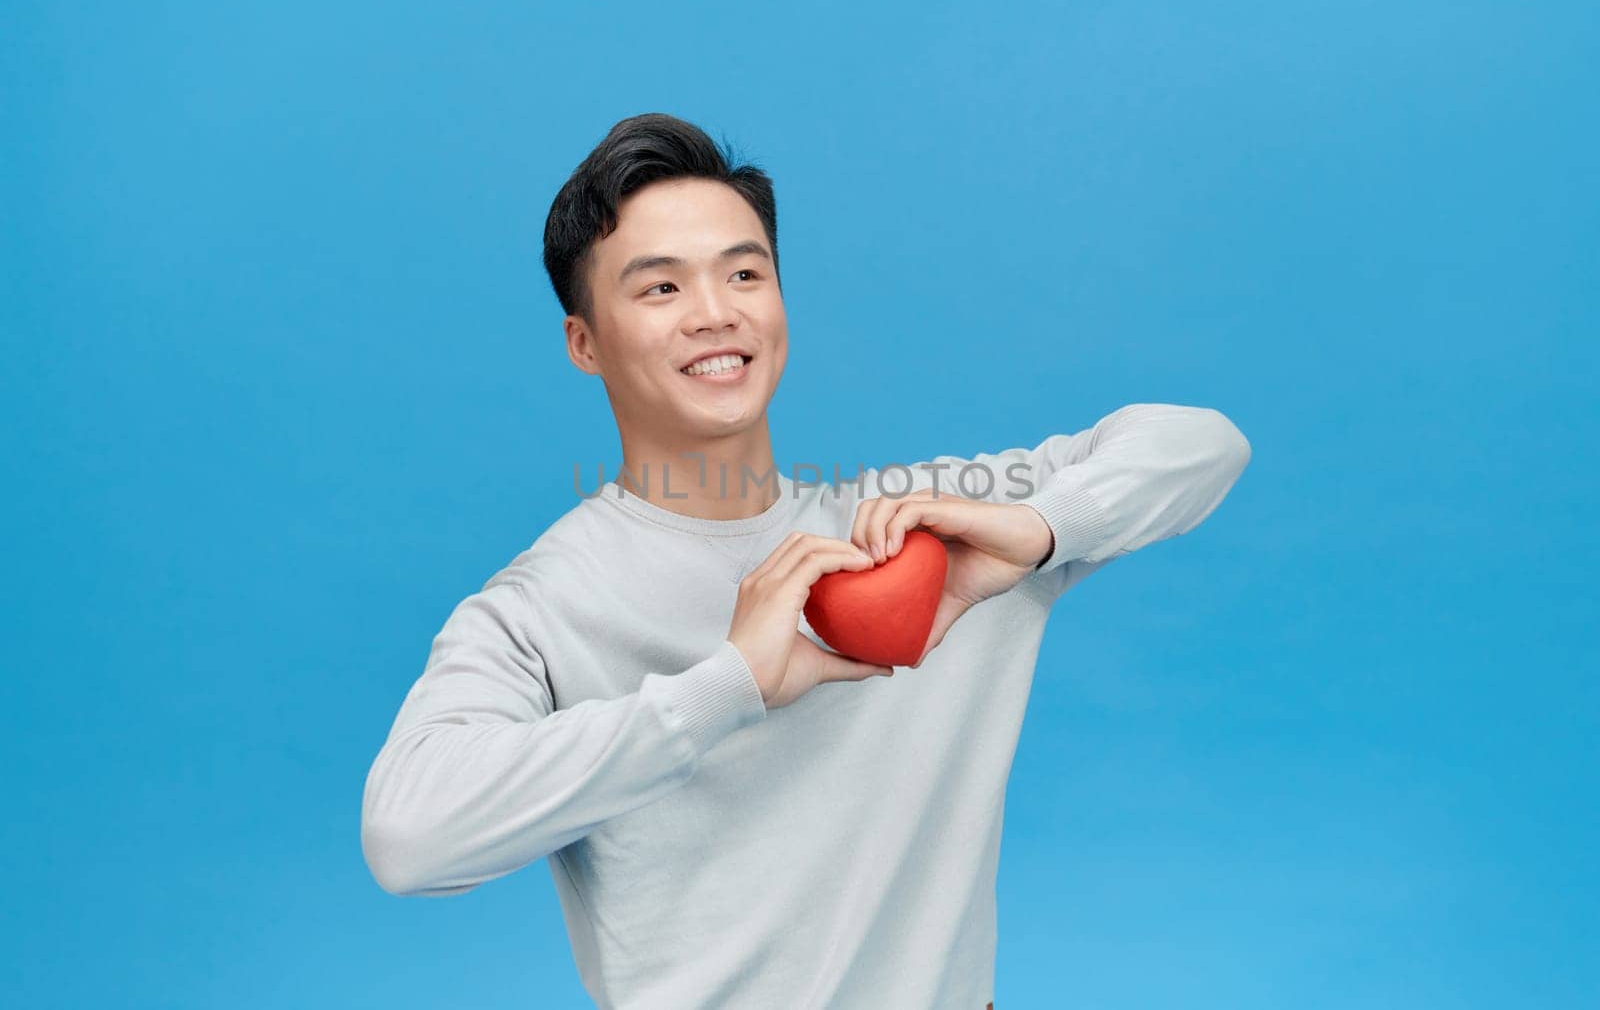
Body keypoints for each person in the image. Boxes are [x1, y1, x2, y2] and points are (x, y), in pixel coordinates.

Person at [360, 112, 1252, 1008]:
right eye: (660, 288)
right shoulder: (538, 608)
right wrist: (727, 685)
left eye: (745, 272)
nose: (716, 313)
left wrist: (1041, 528)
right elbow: (408, 837)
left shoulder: (920, 529)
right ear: (583, 343)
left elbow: (1204, 445)